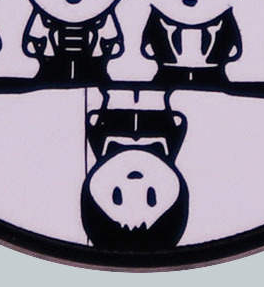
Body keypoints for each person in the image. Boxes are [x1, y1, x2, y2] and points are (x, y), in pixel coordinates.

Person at [81, 88, 189, 250]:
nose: (134, 185)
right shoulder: (168, 137)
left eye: (117, 196)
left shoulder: (101, 137)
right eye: (150, 196)